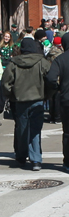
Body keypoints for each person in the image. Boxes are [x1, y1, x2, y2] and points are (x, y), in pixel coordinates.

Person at [2, 38, 50, 171]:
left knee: (22, 129)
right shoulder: (42, 62)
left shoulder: (14, 63)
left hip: (20, 100)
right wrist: (47, 95)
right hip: (38, 99)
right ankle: (36, 159)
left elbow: (6, 83)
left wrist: (12, 95)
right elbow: (51, 79)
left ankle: (21, 156)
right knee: (35, 130)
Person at [45, 32, 69, 172]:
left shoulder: (60, 59)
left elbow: (50, 78)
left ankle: (67, 162)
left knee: (67, 133)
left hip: (66, 100)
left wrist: (57, 88)